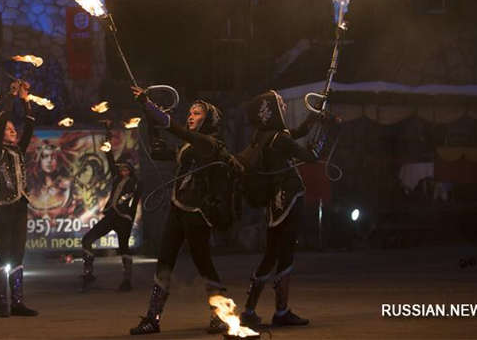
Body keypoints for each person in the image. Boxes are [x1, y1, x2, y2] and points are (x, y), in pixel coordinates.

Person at [129, 87, 240, 336]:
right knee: (164, 262)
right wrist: (149, 119)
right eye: (190, 112)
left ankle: (220, 317)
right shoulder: (190, 146)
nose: (191, 116)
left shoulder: (207, 143)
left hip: (197, 213)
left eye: (197, 113)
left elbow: (174, 128)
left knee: (204, 264)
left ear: (208, 120)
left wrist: (149, 105)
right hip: (178, 208)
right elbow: (159, 151)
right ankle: (152, 318)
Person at [238, 90, 319, 328]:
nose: (284, 106)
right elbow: (311, 155)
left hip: (275, 204)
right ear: (271, 110)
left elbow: (300, 132)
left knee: (271, 254)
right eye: (280, 103)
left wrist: (315, 114)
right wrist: (331, 131)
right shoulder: (280, 138)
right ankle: (281, 311)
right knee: (285, 255)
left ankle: (249, 310)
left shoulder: (264, 136)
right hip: (289, 200)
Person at [0, 80, 39, 318]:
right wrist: (10, 97)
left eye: (13, 129)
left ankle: (18, 302)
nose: (13, 132)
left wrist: (25, 99)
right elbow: (0, 126)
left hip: (20, 207)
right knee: (4, 255)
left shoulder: (18, 150)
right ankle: (2, 305)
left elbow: (29, 126)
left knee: (18, 255)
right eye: (9, 129)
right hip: (3, 208)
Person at [80, 120, 141, 292]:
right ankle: (88, 273)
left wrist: (130, 217)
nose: (122, 171)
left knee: (123, 248)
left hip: (124, 218)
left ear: (130, 170)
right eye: (121, 168)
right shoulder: (117, 178)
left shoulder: (136, 183)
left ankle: (127, 280)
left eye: (125, 169)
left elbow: (135, 202)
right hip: (111, 215)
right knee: (87, 239)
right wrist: (107, 130)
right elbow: (108, 155)